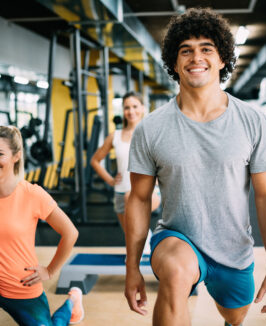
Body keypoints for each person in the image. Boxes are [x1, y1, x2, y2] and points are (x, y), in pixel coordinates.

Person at [124, 8, 266, 326]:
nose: (195, 57)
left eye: (206, 49)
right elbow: (139, 199)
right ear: (174, 62)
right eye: (186, 50)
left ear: (222, 58)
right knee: (174, 273)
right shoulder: (151, 128)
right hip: (177, 238)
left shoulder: (252, 121)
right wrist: (132, 268)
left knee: (235, 315)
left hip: (234, 249)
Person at [0, 125, 84, 325]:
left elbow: (70, 233)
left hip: (20, 287)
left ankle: (72, 301)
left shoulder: (32, 194)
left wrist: (50, 270)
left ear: (16, 156)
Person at [91, 91, 161, 233]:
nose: (131, 111)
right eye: (127, 108)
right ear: (123, 110)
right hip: (120, 191)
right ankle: (143, 243)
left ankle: (145, 242)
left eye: (135, 106)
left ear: (142, 108)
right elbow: (95, 161)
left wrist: (158, 179)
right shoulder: (114, 136)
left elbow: (164, 161)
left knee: (136, 232)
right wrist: (110, 180)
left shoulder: (152, 133)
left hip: (146, 191)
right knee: (129, 237)